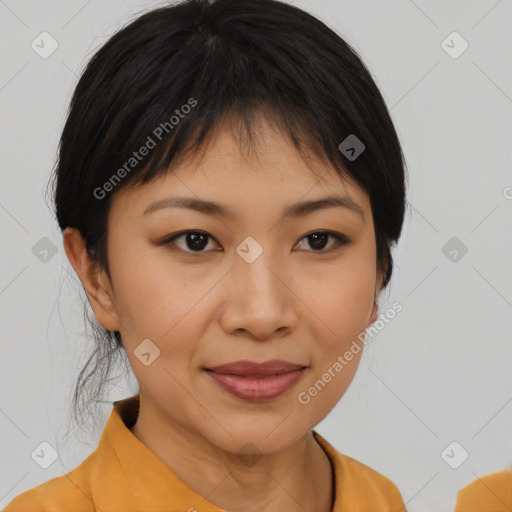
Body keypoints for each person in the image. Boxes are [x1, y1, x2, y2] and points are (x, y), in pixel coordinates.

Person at [4, 0, 408, 510]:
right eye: (195, 240)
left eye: (318, 239)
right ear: (95, 275)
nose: (262, 314)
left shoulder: (383, 501)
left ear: (379, 271)